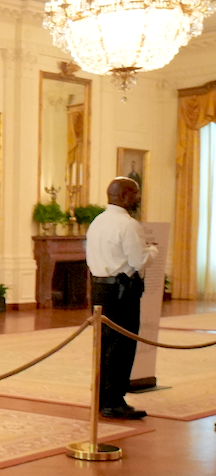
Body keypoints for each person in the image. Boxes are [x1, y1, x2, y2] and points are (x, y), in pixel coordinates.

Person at [85, 176, 156, 420]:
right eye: (136, 193)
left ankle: (103, 398)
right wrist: (153, 251)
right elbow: (138, 261)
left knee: (104, 345)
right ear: (125, 196)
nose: (138, 198)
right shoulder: (128, 225)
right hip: (122, 292)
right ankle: (114, 401)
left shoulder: (97, 222)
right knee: (122, 346)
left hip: (99, 290)